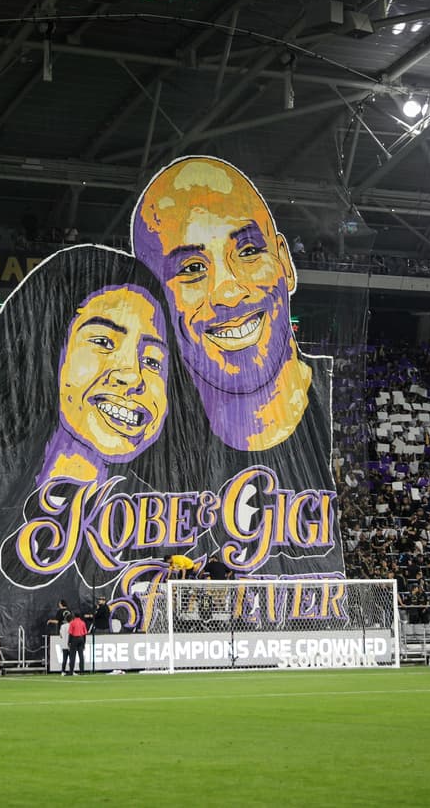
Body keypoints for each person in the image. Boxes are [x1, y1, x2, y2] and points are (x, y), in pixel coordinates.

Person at [0, 246, 203, 656]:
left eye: (153, 361)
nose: (132, 375)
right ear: (54, 354)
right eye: (103, 340)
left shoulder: (160, 500)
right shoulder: (0, 502)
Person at [131, 156, 341, 577]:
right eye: (191, 269)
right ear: (155, 300)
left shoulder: (331, 414)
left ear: (284, 261)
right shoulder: (137, 440)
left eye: (248, 251)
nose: (227, 290)